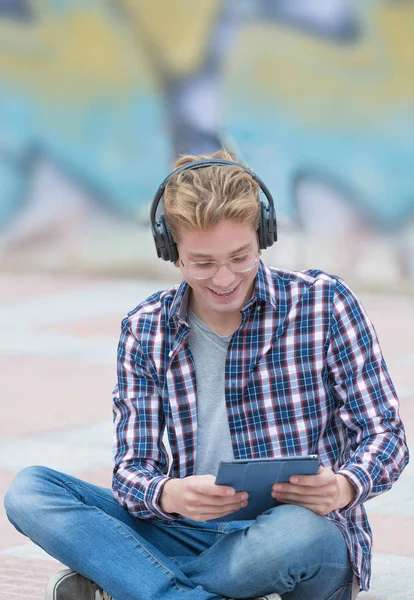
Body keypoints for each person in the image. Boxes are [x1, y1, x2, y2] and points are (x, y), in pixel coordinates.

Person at [4, 150, 409, 600]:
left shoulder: (325, 303)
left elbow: (386, 435)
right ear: (172, 253)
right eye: (202, 263)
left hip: (301, 537)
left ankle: (136, 582)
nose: (224, 278)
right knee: (31, 491)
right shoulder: (146, 329)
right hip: (192, 531)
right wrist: (171, 495)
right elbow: (131, 471)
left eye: (240, 256)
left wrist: (343, 486)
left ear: (264, 236)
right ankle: (185, 591)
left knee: (295, 532)